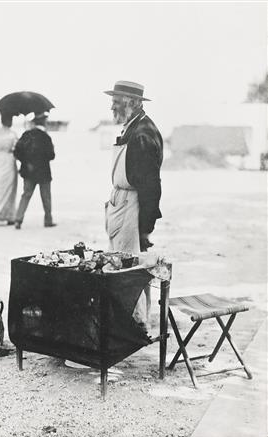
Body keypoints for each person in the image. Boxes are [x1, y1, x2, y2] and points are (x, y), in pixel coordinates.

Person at [104, 80, 163, 326]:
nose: (111, 107)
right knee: (126, 263)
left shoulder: (143, 133)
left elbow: (151, 185)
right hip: (122, 202)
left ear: (132, 103)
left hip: (131, 206)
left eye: (116, 102)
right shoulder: (133, 127)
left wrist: (146, 224)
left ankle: (134, 322)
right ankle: (134, 318)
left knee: (129, 267)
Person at [14, 112, 56, 229]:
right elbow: (51, 155)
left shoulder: (26, 135)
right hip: (43, 172)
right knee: (46, 196)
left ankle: (18, 219)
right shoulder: (46, 137)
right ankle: (48, 220)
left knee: (26, 195)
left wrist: (26, 162)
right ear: (43, 123)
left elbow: (17, 152)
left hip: (28, 171)